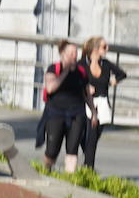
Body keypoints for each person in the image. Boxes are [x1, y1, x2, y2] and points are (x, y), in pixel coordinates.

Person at [36, 39, 97, 173]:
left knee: (72, 150)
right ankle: (46, 171)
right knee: (52, 151)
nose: (74, 56)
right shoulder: (54, 69)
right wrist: (66, 72)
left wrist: (93, 112)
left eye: (75, 53)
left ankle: (70, 181)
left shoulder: (82, 72)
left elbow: (87, 93)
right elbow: (51, 88)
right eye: (70, 53)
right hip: (56, 113)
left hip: (77, 114)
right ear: (62, 54)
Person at [80, 36, 127, 170]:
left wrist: (114, 81)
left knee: (94, 138)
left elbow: (122, 74)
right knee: (90, 137)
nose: (107, 49)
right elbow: (75, 77)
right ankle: (89, 168)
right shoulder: (82, 64)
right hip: (88, 103)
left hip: (103, 103)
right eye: (104, 47)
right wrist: (85, 86)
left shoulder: (105, 64)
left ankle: (88, 163)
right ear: (95, 49)